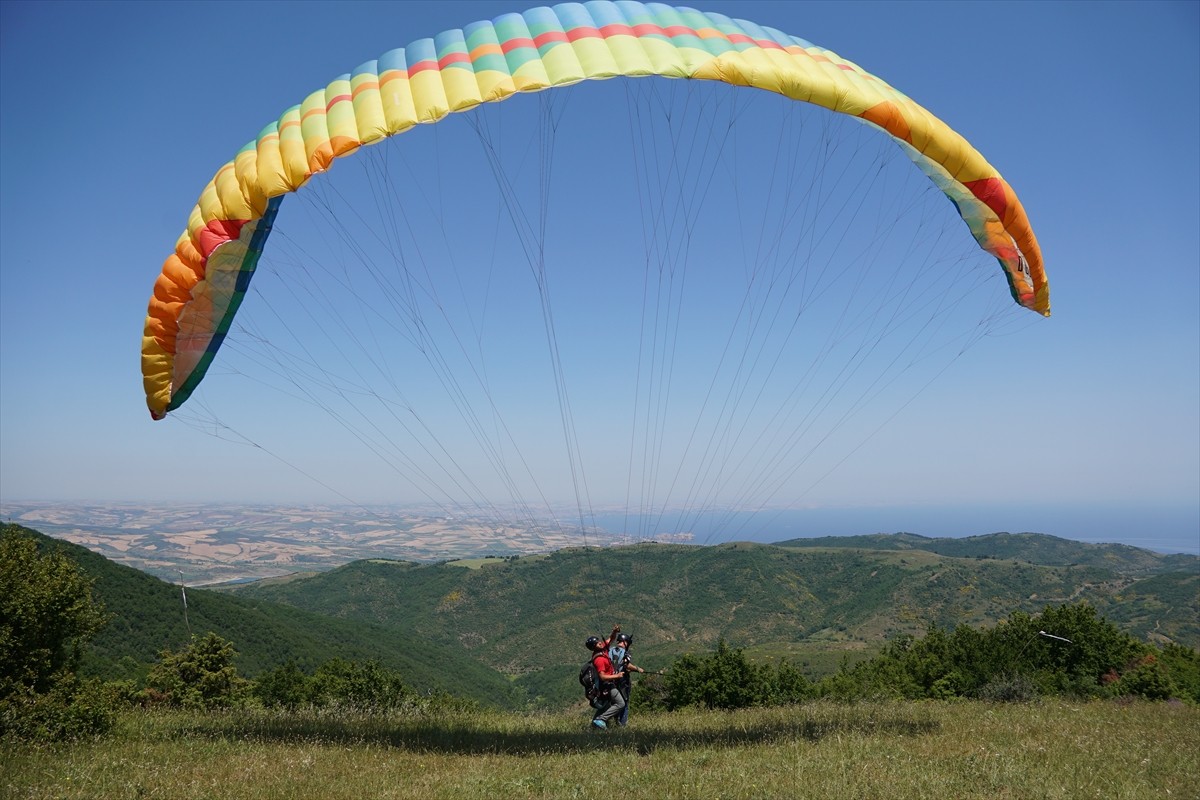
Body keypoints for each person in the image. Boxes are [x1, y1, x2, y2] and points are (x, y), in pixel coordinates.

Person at [586, 634, 625, 730]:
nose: (599, 642)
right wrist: (617, 675)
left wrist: (614, 631)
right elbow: (602, 676)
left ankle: (594, 726)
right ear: (594, 647)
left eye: (598, 641)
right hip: (607, 685)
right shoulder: (599, 659)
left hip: (606, 685)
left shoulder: (601, 649)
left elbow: (610, 639)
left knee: (606, 706)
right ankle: (601, 720)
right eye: (597, 643)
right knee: (620, 703)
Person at [608, 632, 645, 726]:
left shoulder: (610, 650)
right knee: (624, 702)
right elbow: (626, 665)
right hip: (622, 681)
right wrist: (637, 669)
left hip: (610, 680)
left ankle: (611, 721)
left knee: (613, 702)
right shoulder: (626, 653)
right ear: (625, 642)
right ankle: (622, 724)